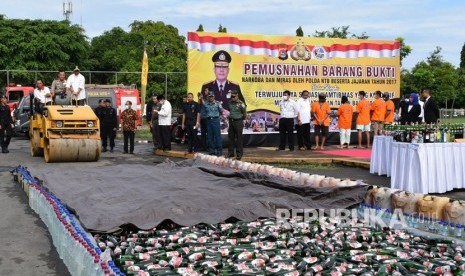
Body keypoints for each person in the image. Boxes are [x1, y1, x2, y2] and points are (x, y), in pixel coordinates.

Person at [202, 91, 223, 156]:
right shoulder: (206, 103)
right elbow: (202, 103)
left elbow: (221, 111)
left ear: (214, 96)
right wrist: (201, 98)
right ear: (208, 97)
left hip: (215, 120)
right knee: (210, 136)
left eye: (212, 96)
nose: (211, 98)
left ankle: (219, 151)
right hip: (208, 121)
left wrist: (220, 106)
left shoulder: (217, 103)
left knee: (217, 136)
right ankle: (212, 151)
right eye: (209, 96)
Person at [227, 90, 247, 160]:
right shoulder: (229, 103)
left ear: (237, 96)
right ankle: (230, 153)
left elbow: (244, 114)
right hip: (231, 121)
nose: (232, 98)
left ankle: (239, 154)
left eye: (234, 96)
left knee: (239, 138)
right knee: (231, 138)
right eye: (231, 96)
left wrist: (242, 120)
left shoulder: (241, 103)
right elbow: (230, 111)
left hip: (238, 121)